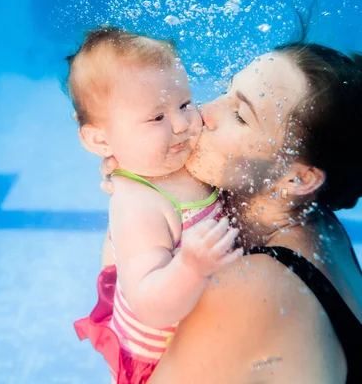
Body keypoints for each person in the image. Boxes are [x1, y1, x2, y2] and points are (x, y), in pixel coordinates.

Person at [100, 41, 362, 384]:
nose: (204, 110)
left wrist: (130, 207)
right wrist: (141, 177)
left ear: (298, 177)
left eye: (240, 115)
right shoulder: (317, 222)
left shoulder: (253, 286)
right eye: (227, 91)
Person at [65, 27, 242, 384]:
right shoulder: (138, 204)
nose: (181, 125)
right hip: (163, 363)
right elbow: (150, 305)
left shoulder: (184, 155)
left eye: (184, 103)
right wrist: (191, 266)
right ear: (101, 139)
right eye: (156, 118)